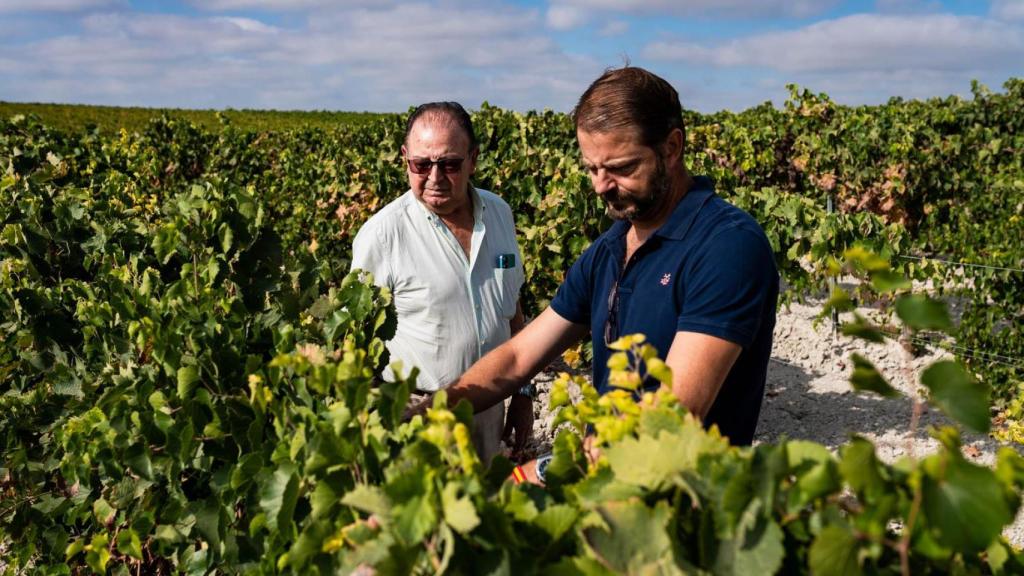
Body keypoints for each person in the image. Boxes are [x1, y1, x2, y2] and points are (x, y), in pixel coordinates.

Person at [416, 67, 779, 481]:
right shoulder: (611, 248)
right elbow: (519, 356)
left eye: (621, 168)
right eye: (592, 169)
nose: (601, 187)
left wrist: (551, 471)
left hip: (687, 510)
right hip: (608, 493)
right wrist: (431, 410)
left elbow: (678, 413)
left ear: (672, 147)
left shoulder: (726, 246)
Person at [350, 102, 533, 464]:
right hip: (419, 416)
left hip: (490, 409)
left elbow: (513, 309)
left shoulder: (499, 214)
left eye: (449, 164)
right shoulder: (382, 235)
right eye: (421, 165)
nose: (434, 177)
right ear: (404, 159)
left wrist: (523, 393)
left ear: (473, 159)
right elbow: (354, 342)